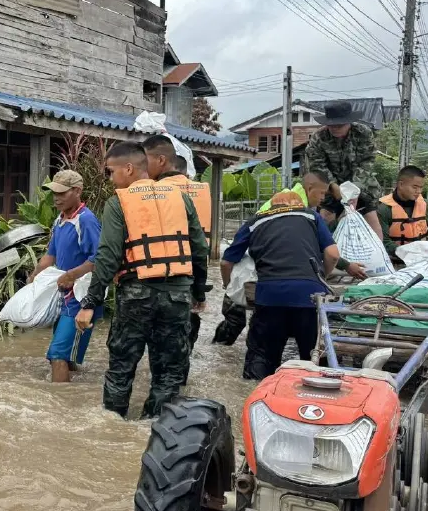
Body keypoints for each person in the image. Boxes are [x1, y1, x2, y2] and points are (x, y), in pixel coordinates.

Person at [74, 141, 208, 419]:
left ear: (128, 168)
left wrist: (90, 302)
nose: (110, 179)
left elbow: (108, 256)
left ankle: (113, 427)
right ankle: (155, 428)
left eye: (111, 172)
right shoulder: (180, 198)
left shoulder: (118, 202)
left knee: (121, 368)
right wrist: (198, 292)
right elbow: (199, 248)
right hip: (177, 296)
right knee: (169, 372)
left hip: (136, 295)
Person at [221, 191, 341, 380]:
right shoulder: (311, 216)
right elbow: (333, 254)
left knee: (260, 363)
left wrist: (228, 286)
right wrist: (320, 278)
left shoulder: (255, 221)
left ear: (272, 206)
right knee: (315, 361)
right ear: (298, 204)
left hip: (269, 296)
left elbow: (226, 262)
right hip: (310, 298)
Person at [142, 135, 210, 382]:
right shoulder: (198, 193)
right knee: (179, 349)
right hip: (186, 283)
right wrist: (200, 292)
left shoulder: (145, 193)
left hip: (149, 283)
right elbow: (201, 248)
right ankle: (177, 390)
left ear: (161, 161)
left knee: (156, 349)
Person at [28, 170, 103, 383]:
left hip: (81, 297)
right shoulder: (59, 220)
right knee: (67, 355)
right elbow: (50, 255)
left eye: (62, 193)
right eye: (54, 193)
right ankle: (72, 395)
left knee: (57, 355)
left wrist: (71, 275)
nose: (56, 198)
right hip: (63, 294)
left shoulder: (86, 220)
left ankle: (57, 398)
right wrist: (33, 276)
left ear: (77, 191)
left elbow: (99, 258)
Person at [303, 101, 384, 240]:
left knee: (370, 216)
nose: (335, 128)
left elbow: (367, 162)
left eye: (339, 125)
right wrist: (333, 186)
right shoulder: (318, 137)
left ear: (349, 122)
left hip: (360, 183)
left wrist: (353, 189)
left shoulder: (363, 133)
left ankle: (379, 250)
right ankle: (325, 249)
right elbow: (317, 166)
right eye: (331, 125)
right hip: (329, 186)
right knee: (326, 216)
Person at [377, 165, 428, 261]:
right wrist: (407, 253)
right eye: (414, 187)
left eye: (421, 187)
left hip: (423, 259)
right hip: (394, 261)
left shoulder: (426, 205)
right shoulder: (384, 208)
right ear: (401, 185)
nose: (419, 191)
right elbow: (383, 241)